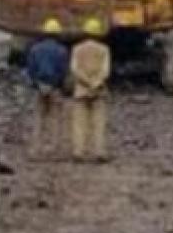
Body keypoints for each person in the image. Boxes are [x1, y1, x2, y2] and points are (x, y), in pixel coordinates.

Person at [25, 20, 70, 159]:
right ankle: (53, 150)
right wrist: (60, 85)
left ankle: (35, 150)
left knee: (38, 119)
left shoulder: (35, 49)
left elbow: (30, 69)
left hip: (39, 86)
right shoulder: (62, 50)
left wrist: (35, 84)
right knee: (55, 119)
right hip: (55, 87)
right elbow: (63, 71)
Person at [69, 18, 112, 163]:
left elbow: (74, 69)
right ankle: (99, 152)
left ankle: (78, 152)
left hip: (81, 90)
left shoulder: (77, 48)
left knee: (80, 123)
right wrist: (95, 83)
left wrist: (86, 82)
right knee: (99, 123)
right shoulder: (104, 49)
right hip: (98, 90)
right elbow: (105, 71)